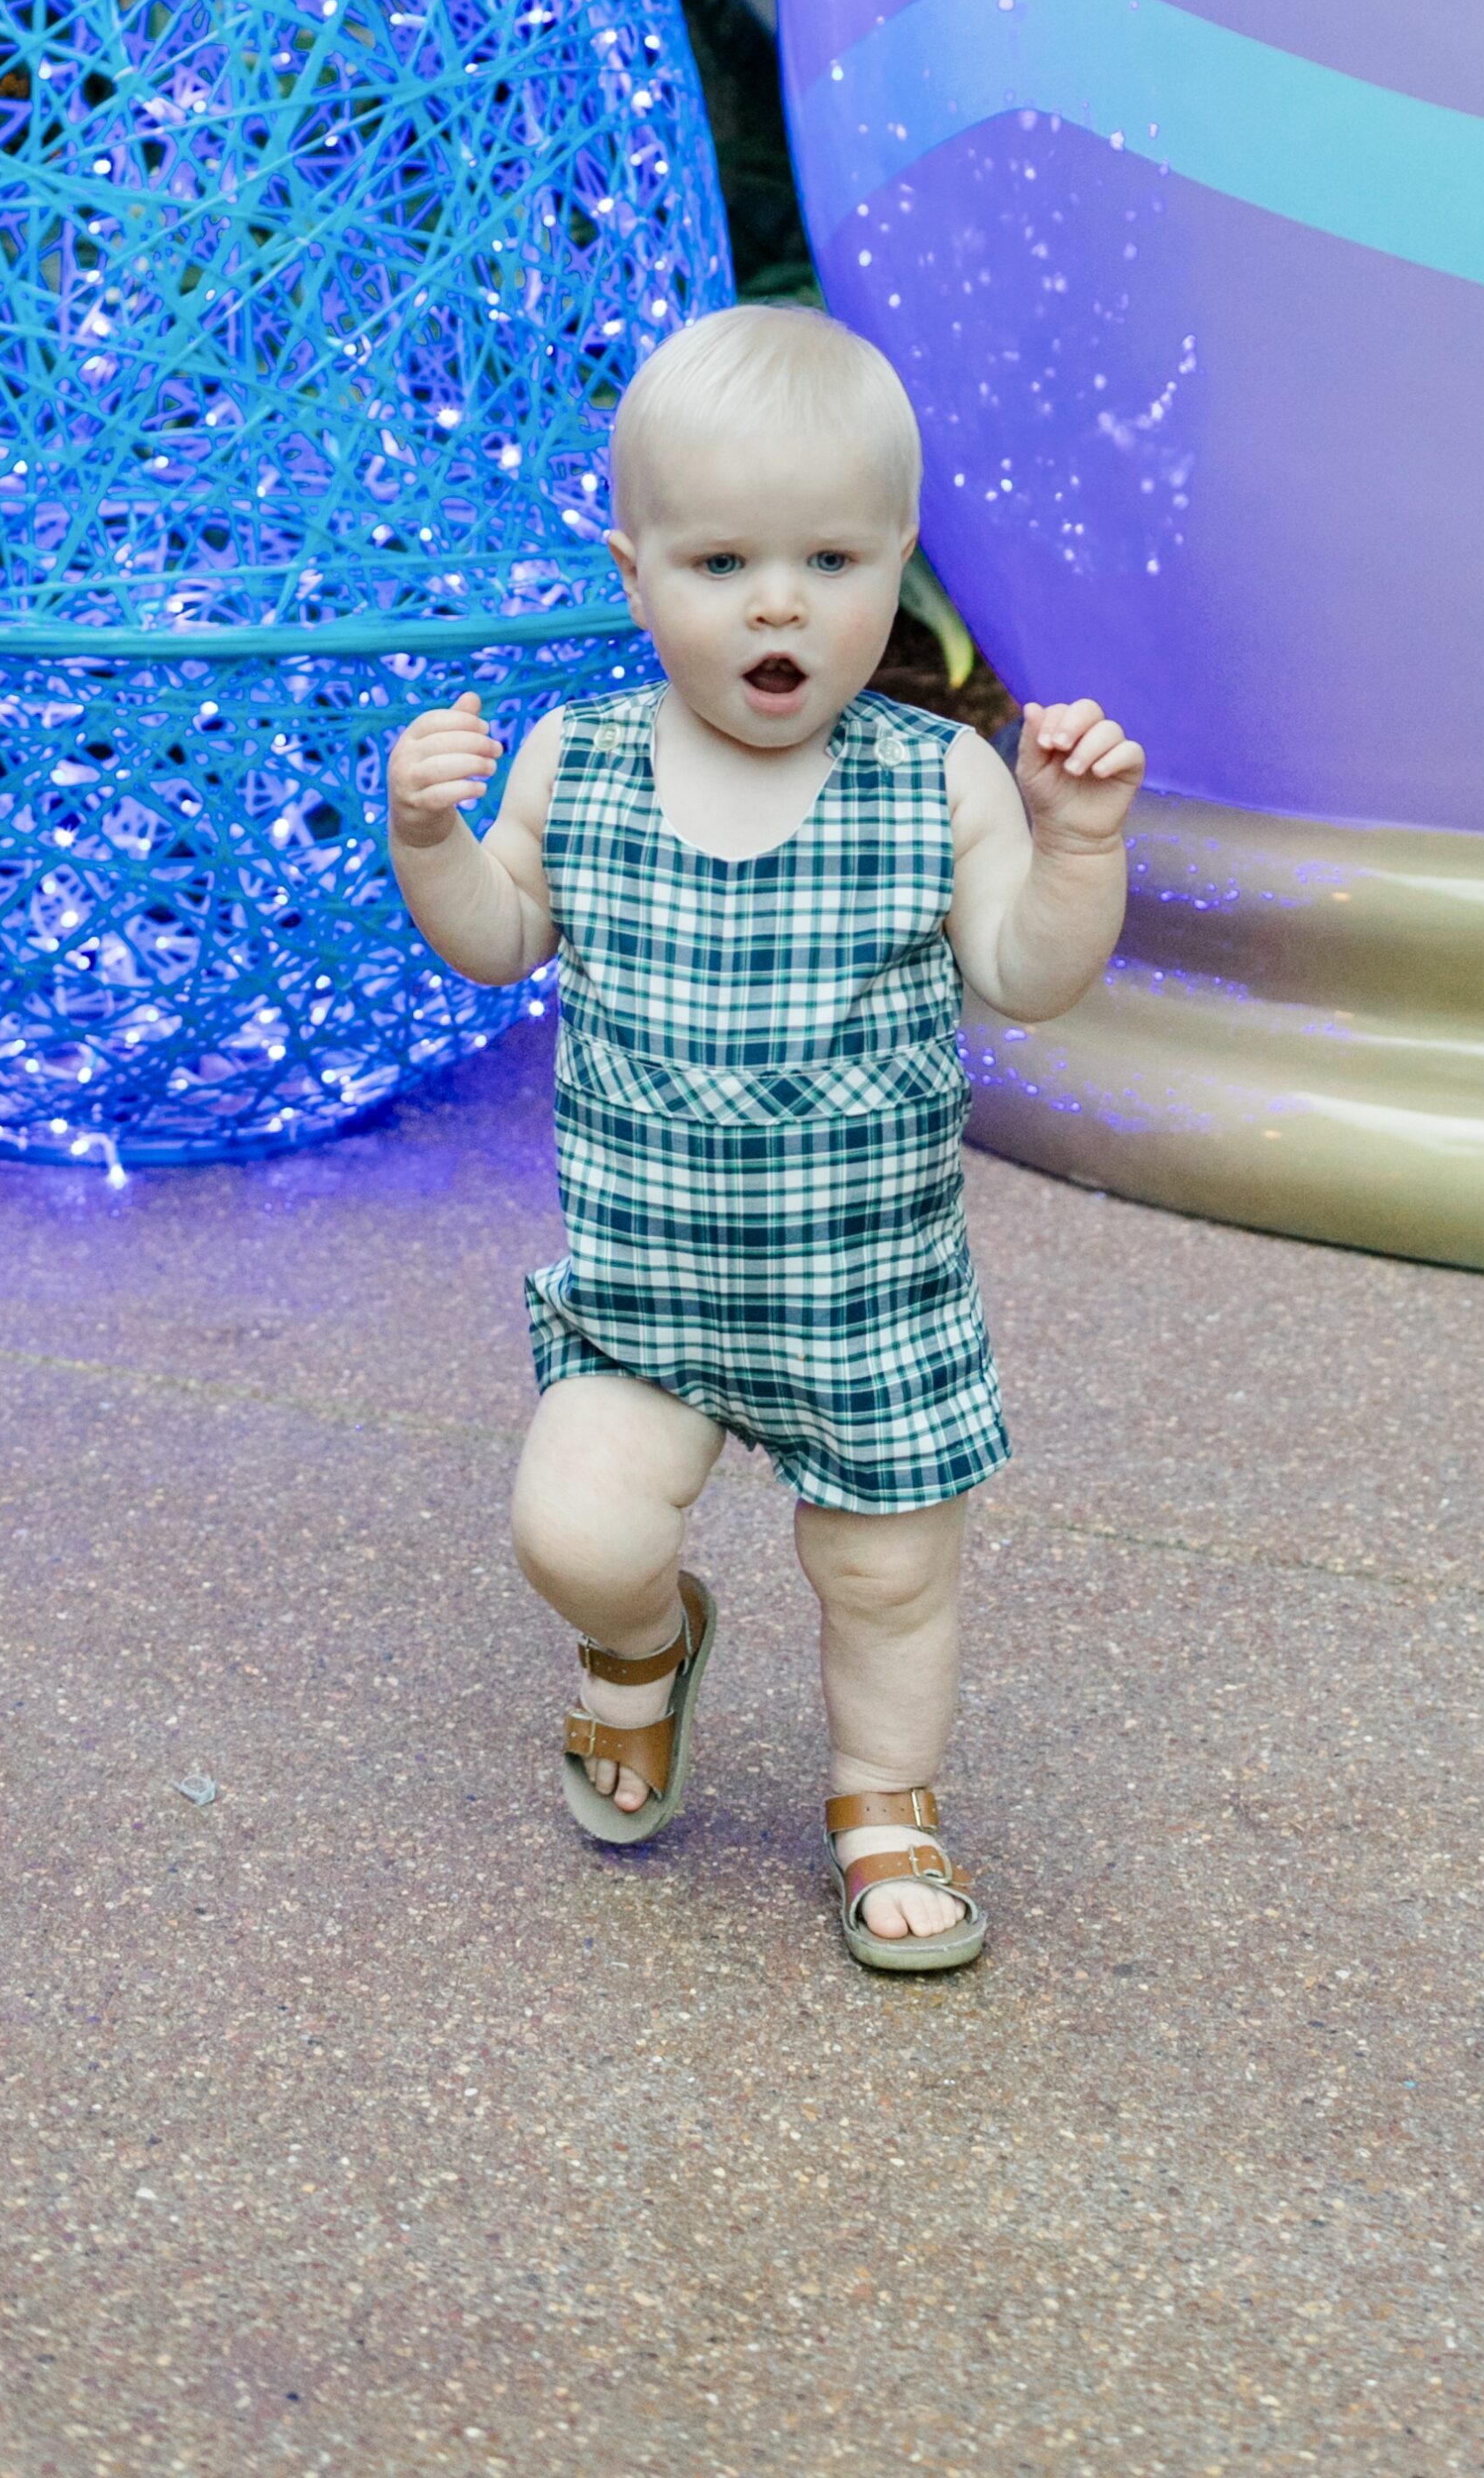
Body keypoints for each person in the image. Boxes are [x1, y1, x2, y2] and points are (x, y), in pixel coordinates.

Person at [384, 303, 1143, 1975]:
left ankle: (884, 1801)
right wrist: (428, 837)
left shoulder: (937, 782)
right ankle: (640, 1654)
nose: (780, 602)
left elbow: (1024, 973)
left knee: (886, 1586)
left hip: (868, 1315)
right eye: (721, 562)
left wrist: (1077, 843)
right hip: (643, 1303)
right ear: (636, 572)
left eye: (832, 559)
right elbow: (500, 937)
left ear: (898, 569)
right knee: (573, 1532)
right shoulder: (576, 764)